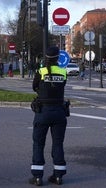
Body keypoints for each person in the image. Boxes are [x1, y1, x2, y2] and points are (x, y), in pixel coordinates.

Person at [29, 46, 68, 186]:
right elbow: (61, 85)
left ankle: (37, 177)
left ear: (45, 57)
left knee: (38, 144)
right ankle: (58, 176)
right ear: (58, 58)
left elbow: (34, 87)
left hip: (43, 112)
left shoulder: (41, 71)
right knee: (58, 144)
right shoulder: (63, 71)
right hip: (59, 112)